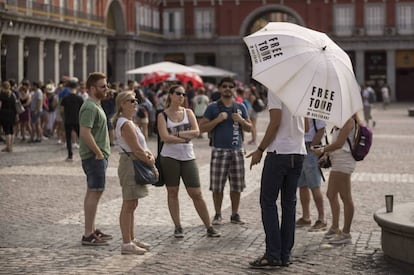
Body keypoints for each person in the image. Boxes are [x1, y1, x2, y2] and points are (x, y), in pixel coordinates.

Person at [247, 92, 306, 268]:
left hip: (280, 152)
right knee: (289, 204)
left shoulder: (276, 89)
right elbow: (308, 124)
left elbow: (275, 122)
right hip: (298, 152)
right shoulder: (301, 91)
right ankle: (285, 254)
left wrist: (260, 149)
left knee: (268, 202)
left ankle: (273, 254)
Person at [157, 84, 221, 238]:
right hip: (169, 157)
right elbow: (164, 137)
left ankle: (209, 226)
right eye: (178, 93)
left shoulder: (188, 112)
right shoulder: (162, 115)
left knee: (196, 193)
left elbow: (197, 131)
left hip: (188, 156)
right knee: (173, 192)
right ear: (170, 95)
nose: (181, 97)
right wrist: (184, 136)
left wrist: (176, 135)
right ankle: (178, 226)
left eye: (183, 94)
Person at [199, 77, 252, 225]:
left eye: (230, 86)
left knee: (237, 185)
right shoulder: (212, 107)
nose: (228, 88)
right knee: (217, 186)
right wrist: (216, 120)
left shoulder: (240, 107)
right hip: (219, 151)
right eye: (224, 86)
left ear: (234, 89)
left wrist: (241, 121)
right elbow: (201, 128)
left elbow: (249, 127)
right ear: (220, 89)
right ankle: (217, 214)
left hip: (237, 150)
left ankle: (235, 214)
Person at [113, 91, 154, 255]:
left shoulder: (130, 122)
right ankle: (126, 242)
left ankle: (131, 237)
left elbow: (140, 147)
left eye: (136, 100)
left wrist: (148, 154)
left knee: (133, 203)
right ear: (122, 104)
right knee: (128, 203)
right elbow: (136, 149)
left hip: (134, 162)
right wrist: (150, 161)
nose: (135, 103)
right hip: (131, 164)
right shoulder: (125, 123)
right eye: (131, 100)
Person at [311, 115, 359, 245]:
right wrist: (326, 155)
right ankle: (335, 227)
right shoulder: (340, 121)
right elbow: (335, 143)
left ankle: (346, 233)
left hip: (344, 162)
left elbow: (339, 143)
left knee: (346, 197)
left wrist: (321, 149)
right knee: (331, 194)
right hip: (337, 161)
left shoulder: (349, 121)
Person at [79, 72, 112, 246]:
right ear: (92, 88)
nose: (106, 89)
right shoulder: (90, 107)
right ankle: (87, 234)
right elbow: (85, 132)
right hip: (94, 157)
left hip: (97, 156)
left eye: (106, 85)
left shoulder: (96, 105)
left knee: (94, 192)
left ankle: (91, 229)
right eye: (103, 86)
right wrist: (98, 153)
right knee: (95, 191)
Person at [296, 118, 327, 232]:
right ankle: (306, 216)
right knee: (302, 185)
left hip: (310, 147)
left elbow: (321, 129)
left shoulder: (314, 107)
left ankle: (321, 218)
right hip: (299, 147)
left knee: (314, 185)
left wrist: (312, 147)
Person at [60, 79, 84, 161]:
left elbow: (62, 110)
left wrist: (63, 118)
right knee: (81, 137)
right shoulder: (79, 98)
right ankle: (85, 153)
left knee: (68, 138)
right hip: (77, 120)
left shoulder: (65, 98)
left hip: (68, 120)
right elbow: (82, 110)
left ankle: (70, 155)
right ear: (76, 87)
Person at [0, 81, 17, 152]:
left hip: (4, 114)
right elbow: (15, 105)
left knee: (6, 130)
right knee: (11, 130)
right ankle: (11, 146)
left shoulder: (2, 95)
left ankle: (8, 147)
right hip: (12, 114)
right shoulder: (13, 94)